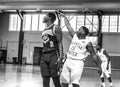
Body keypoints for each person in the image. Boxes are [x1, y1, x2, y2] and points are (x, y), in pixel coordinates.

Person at [59, 12, 102, 87]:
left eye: (79, 30)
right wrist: (64, 17)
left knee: (75, 84)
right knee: (64, 84)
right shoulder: (75, 36)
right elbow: (68, 26)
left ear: (83, 33)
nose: (77, 30)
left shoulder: (88, 43)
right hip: (68, 61)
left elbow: (94, 56)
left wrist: (99, 67)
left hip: (77, 63)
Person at [40, 12, 63, 87]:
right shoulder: (43, 30)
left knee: (55, 76)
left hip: (53, 54)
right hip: (44, 55)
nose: (43, 17)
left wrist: (60, 57)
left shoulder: (56, 28)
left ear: (49, 18)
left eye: (45, 16)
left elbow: (60, 43)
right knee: (45, 77)